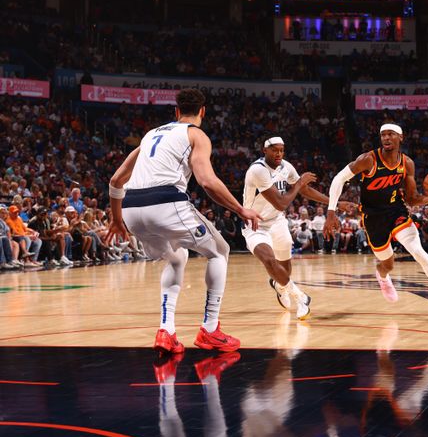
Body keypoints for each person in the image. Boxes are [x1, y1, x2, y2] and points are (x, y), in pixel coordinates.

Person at [105, 88, 260, 355]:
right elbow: (207, 181)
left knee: (177, 257)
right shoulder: (195, 134)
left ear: (175, 112)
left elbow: (116, 180)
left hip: (131, 208)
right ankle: (210, 330)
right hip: (165, 202)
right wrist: (240, 209)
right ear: (203, 111)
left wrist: (117, 219)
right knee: (220, 251)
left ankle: (166, 331)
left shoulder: (150, 135)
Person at [324, 123, 428, 323]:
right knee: (387, 264)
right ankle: (382, 276)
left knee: (418, 251)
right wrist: (331, 211)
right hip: (373, 217)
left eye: (391, 134)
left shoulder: (407, 164)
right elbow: (338, 179)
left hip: (396, 211)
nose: (386, 138)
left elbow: (413, 198)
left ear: (401, 138)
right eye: (383, 135)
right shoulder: (368, 160)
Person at [242, 135, 353, 320]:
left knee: (285, 266)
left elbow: (305, 191)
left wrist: (335, 202)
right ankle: (301, 297)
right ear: (265, 150)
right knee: (269, 261)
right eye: (274, 150)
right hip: (255, 223)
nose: (278, 153)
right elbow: (281, 203)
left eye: (281, 150)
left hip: (277, 221)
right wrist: (300, 182)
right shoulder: (258, 170)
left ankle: (280, 286)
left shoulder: (286, 167)